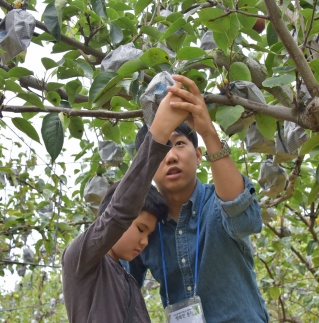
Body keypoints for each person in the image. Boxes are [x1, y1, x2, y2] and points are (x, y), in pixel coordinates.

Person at [129, 75, 270, 322]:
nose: (171, 156)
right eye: (161, 149)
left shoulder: (218, 202)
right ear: (148, 164)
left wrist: (207, 130)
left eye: (180, 144)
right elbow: (119, 280)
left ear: (198, 155)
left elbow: (245, 220)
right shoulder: (144, 226)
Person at [61, 81, 190, 323]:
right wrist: (160, 132)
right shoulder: (81, 260)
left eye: (148, 234)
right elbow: (121, 212)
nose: (143, 241)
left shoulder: (128, 281)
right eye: (141, 228)